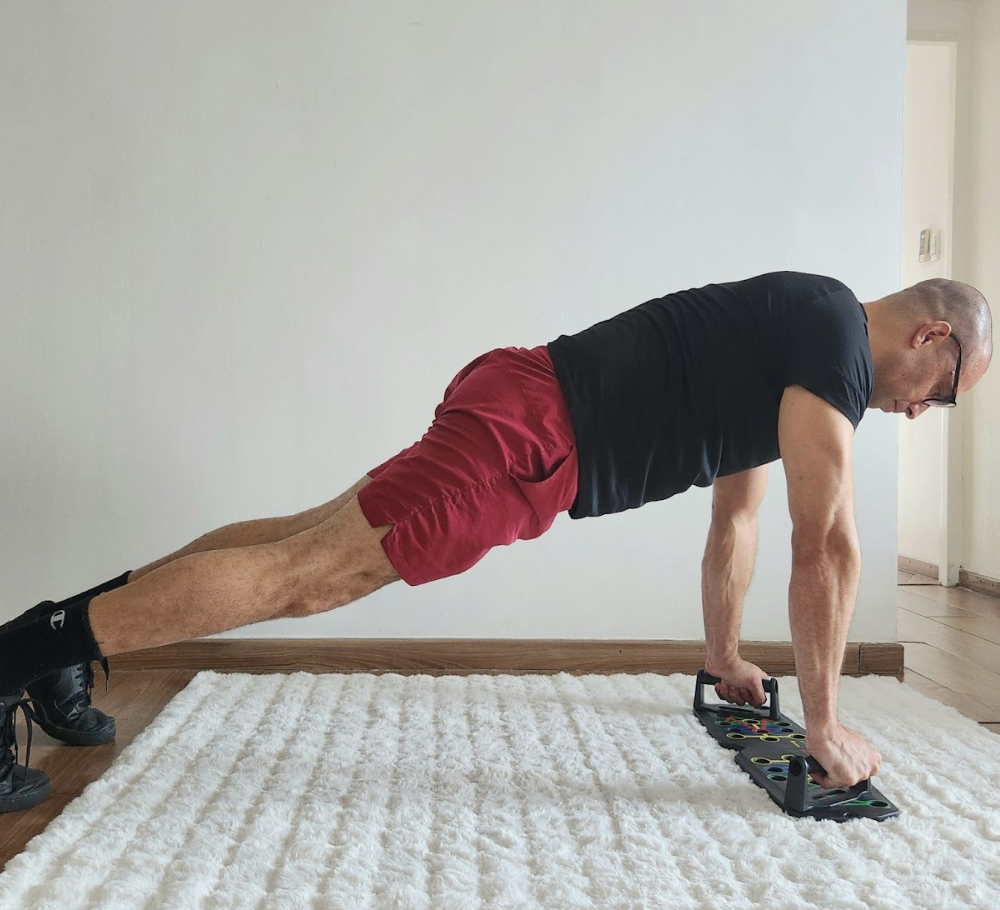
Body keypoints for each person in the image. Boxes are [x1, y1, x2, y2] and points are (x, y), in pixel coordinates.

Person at [0, 271, 992, 813]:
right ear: (931, 341)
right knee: (306, 580)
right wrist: (821, 725)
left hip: (523, 393)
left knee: (302, 537)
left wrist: (724, 654)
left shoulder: (805, 331)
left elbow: (737, 518)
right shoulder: (831, 350)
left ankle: (57, 657)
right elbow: (827, 549)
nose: (918, 416)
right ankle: (20, 654)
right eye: (941, 401)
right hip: (533, 439)